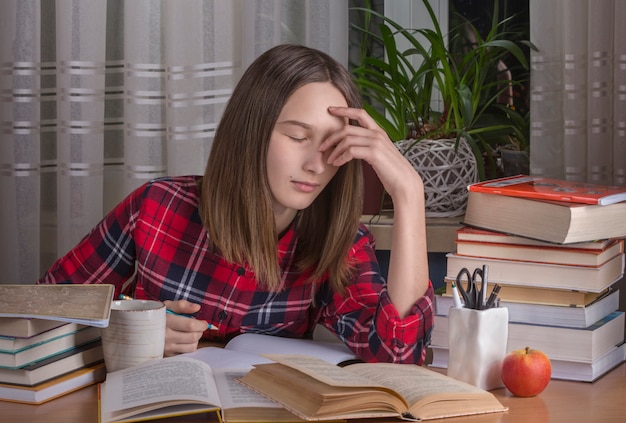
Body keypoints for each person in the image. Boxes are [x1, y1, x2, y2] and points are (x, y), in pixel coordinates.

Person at [40, 44, 434, 364]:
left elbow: (397, 352)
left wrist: (409, 193)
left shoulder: (341, 242)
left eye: (332, 145)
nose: (316, 165)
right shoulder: (156, 207)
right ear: (252, 132)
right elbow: (40, 310)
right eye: (298, 137)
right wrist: (127, 328)